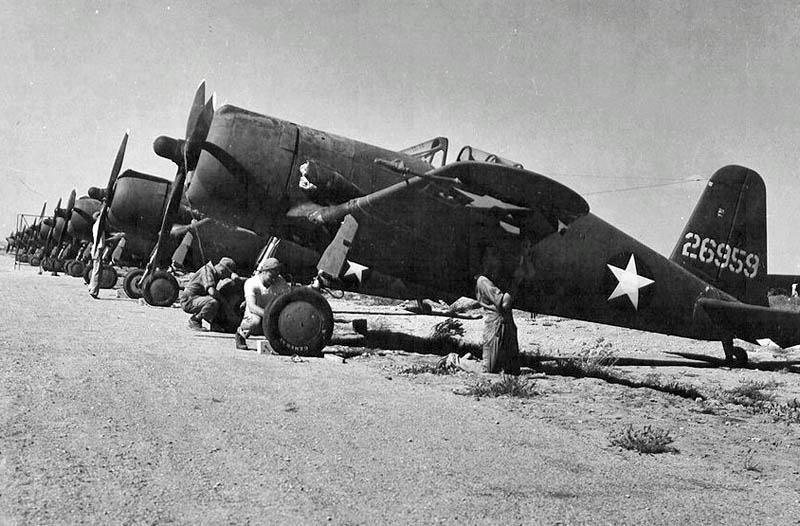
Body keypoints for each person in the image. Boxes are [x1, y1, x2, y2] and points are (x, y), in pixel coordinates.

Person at [235, 257, 290, 350]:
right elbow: (252, 306)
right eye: (271, 276)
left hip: (272, 316)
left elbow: (288, 298)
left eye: (276, 276)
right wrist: (268, 314)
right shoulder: (251, 283)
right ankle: (240, 334)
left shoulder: (280, 282)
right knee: (254, 322)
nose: (274, 279)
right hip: (256, 314)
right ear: (263, 272)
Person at [475, 272, 520, 374]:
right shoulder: (483, 281)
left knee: (513, 370)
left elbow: (530, 273)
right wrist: (517, 280)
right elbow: (505, 303)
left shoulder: (496, 278)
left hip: (507, 325)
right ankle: (456, 360)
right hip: (496, 327)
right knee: (489, 369)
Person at [180, 257, 237, 331]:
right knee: (213, 302)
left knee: (217, 300)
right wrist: (225, 302)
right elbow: (212, 292)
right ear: (223, 270)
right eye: (226, 274)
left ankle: (216, 324)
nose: (224, 278)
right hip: (189, 300)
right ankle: (195, 320)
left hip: (197, 298)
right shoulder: (207, 271)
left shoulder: (215, 273)